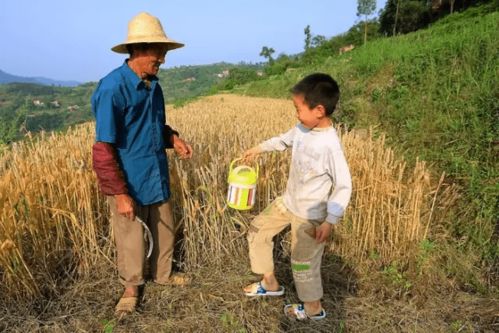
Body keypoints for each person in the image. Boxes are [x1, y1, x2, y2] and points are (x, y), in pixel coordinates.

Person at [91, 12, 193, 315]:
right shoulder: (112, 89)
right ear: (137, 50)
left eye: (163, 51)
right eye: (158, 51)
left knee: (163, 228)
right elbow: (103, 147)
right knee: (131, 237)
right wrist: (119, 193)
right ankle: (131, 288)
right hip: (129, 180)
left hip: (156, 172)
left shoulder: (153, 86)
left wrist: (172, 139)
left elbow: (152, 126)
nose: (162, 58)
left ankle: (163, 276)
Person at [242, 73, 352, 321]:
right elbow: (282, 141)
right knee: (257, 229)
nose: (296, 114)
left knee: (302, 263)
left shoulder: (330, 146)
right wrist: (258, 149)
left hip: (310, 216)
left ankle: (313, 309)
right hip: (287, 202)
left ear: (319, 110)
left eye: (298, 108)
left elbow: (344, 185)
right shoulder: (302, 129)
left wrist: (330, 220)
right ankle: (269, 283)